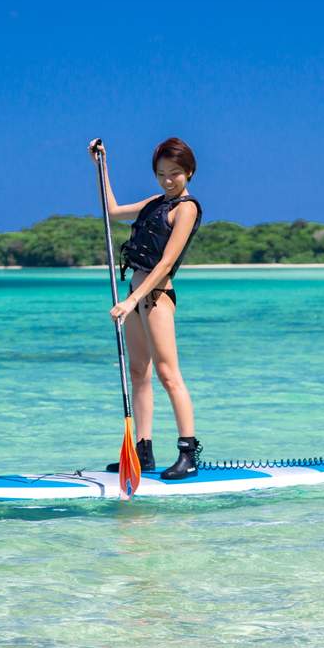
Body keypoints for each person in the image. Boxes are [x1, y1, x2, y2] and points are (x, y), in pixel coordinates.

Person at [91, 137, 204, 479]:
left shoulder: (187, 208)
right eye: (161, 174)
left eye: (174, 173)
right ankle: (143, 451)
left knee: (168, 374)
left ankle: (188, 452)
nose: (168, 180)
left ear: (189, 172)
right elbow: (111, 212)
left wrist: (130, 300)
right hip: (135, 295)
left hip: (155, 298)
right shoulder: (154, 202)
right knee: (138, 373)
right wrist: (102, 166)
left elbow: (165, 264)